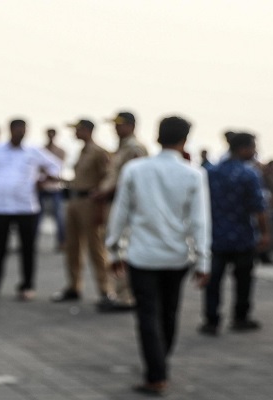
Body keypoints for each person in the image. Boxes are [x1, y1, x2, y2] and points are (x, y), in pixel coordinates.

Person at [105, 115, 210, 396]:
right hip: (177, 257)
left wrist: (114, 249)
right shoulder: (194, 174)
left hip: (142, 255)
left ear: (157, 136)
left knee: (148, 314)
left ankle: (156, 372)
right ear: (185, 139)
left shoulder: (136, 170)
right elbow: (200, 222)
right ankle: (160, 363)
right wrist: (203, 260)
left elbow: (121, 213)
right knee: (170, 312)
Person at [0, 119, 61, 300]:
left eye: (23, 130)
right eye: (17, 129)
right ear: (10, 130)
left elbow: (55, 165)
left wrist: (43, 179)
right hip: (0, 207)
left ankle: (27, 286)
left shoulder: (33, 151)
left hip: (26, 207)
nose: (20, 133)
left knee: (28, 248)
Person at [199, 132, 269, 336]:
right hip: (242, 237)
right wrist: (265, 233)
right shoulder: (249, 174)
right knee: (243, 281)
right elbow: (259, 208)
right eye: (253, 147)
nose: (255, 151)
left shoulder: (211, 171)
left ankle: (211, 320)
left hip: (216, 236)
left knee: (213, 282)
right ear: (243, 148)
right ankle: (240, 317)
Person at [51, 119, 113, 306]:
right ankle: (74, 286)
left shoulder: (99, 152)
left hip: (90, 202)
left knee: (96, 248)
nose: (75, 133)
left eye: (78, 130)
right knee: (72, 247)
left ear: (87, 130)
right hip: (75, 200)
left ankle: (105, 289)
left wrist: (100, 204)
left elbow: (107, 177)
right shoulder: (82, 151)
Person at [94, 111, 148, 312]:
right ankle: (119, 293)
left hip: (125, 207)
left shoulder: (135, 149)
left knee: (122, 249)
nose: (116, 128)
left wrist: (105, 192)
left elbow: (131, 182)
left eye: (121, 125)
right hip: (114, 204)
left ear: (132, 126)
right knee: (115, 248)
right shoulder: (122, 148)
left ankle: (126, 296)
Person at [37, 127, 66, 250]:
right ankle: (31, 241)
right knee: (37, 217)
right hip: (42, 187)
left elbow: (57, 167)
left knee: (59, 217)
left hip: (54, 187)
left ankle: (62, 242)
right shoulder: (41, 150)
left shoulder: (60, 151)